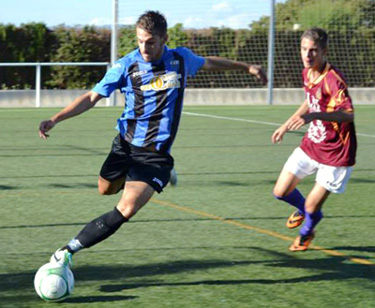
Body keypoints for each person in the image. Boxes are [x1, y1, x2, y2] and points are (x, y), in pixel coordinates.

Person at [39, 11, 267, 266]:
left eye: (150, 42)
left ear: (163, 39)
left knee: (125, 209)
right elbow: (92, 97)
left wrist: (247, 67)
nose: (144, 47)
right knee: (105, 190)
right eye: (140, 41)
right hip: (124, 146)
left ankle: (66, 252)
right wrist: (56, 119)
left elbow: (210, 63)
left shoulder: (180, 59)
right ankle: (143, 177)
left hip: (155, 156)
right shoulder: (126, 66)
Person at [271, 27, 357, 252]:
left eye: (313, 51)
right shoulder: (307, 73)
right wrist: (287, 124)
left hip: (336, 153)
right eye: (304, 49)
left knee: (312, 205)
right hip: (313, 144)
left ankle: (307, 232)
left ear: (324, 51)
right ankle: (306, 211)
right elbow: (310, 100)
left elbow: (349, 114)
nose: (308, 55)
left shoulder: (334, 80)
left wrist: (315, 116)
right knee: (280, 192)